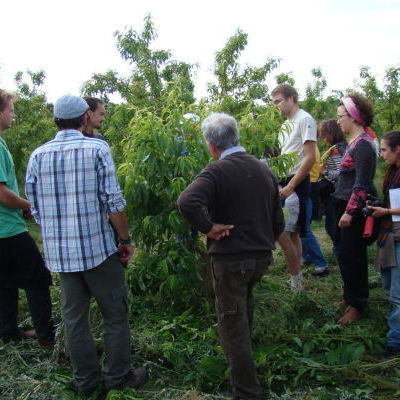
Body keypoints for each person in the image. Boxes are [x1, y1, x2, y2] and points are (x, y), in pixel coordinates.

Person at [25, 95, 147, 395]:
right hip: (97, 252)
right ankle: (117, 378)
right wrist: (124, 239)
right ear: (83, 118)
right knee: (114, 315)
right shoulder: (96, 148)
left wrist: (60, 234)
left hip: (62, 257)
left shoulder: (38, 155)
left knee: (74, 320)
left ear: (56, 120)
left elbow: (35, 209)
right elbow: (114, 202)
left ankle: (85, 382)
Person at [177, 112, 284, 400]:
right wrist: (263, 241)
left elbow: (187, 202)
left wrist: (209, 228)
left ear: (212, 145)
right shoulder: (263, 169)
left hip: (231, 259)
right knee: (244, 309)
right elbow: (279, 221)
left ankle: (247, 391)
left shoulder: (216, 171)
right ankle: (246, 371)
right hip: (260, 257)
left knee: (231, 322)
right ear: (236, 137)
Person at [0, 89, 54, 346]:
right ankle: (46, 335)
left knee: (5, 281)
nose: (14, 114)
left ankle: (8, 332)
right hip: (7, 228)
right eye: (10, 109)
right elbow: (1, 194)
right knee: (37, 279)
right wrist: (28, 206)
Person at [334, 94, 376, 324]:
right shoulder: (354, 143)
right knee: (343, 253)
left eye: (341, 116)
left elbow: (362, 183)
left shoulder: (364, 146)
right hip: (343, 203)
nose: (339, 121)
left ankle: (358, 303)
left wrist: (350, 212)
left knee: (353, 256)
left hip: (355, 209)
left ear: (354, 117)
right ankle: (349, 296)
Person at [271, 84, 317, 290]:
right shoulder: (285, 125)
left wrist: (291, 186)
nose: (276, 106)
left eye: (278, 101)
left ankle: (295, 278)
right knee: (291, 233)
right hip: (283, 180)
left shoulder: (304, 119)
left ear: (291, 98)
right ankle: (297, 280)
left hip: (295, 183)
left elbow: (310, 158)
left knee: (283, 231)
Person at [368, 130, 400, 359]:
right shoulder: (392, 172)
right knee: (389, 287)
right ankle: (394, 330)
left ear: (398, 149)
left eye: (385, 149)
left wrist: (386, 211)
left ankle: (395, 342)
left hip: (397, 235)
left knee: (398, 293)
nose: (382, 154)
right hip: (389, 234)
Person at [318, 120, 347, 250]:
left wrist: (324, 171)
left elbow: (343, 172)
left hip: (336, 192)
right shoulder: (342, 147)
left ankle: (340, 249)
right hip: (337, 192)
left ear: (330, 133)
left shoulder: (336, 150)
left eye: (324, 134)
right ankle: (340, 248)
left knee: (332, 225)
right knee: (332, 224)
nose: (323, 138)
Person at [301, 146, 329, 275]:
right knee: (301, 227)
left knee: (304, 229)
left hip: (308, 185)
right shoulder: (312, 146)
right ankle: (307, 256)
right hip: (309, 185)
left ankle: (321, 263)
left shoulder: (309, 148)